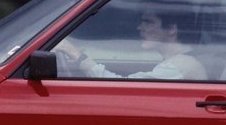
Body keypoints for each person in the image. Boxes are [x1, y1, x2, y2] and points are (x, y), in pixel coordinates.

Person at [55, 7, 207, 80]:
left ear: (171, 29)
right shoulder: (180, 61)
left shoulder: (181, 66)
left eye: (148, 22)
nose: (139, 27)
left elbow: (119, 87)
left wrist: (73, 53)